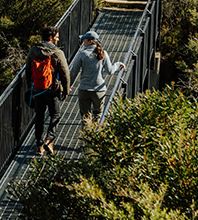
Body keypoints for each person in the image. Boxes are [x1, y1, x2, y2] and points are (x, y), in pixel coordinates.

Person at [25, 26, 70, 156]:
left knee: (39, 117)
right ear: (51, 38)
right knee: (55, 114)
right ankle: (49, 140)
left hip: (38, 90)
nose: (58, 38)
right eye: (56, 36)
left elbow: (28, 69)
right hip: (53, 90)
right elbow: (65, 72)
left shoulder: (34, 51)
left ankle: (39, 145)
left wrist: (31, 86)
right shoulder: (57, 52)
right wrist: (66, 90)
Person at [68, 30, 126, 124]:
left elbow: (74, 72)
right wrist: (118, 64)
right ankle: (95, 135)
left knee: (85, 116)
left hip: (84, 89)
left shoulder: (82, 54)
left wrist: (68, 85)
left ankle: (86, 136)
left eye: (84, 40)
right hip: (99, 90)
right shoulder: (103, 53)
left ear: (90, 41)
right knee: (98, 114)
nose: (83, 41)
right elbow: (110, 71)